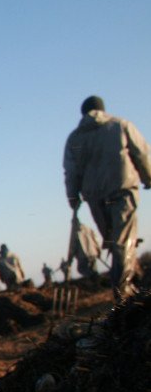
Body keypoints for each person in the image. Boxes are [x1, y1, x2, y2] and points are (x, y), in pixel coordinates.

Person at [64, 95, 151, 300]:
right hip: (122, 190)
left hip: (95, 198)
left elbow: (71, 171)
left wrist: (73, 198)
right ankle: (124, 294)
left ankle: (131, 280)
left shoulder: (74, 138)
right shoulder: (120, 125)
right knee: (122, 241)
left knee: (114, 241)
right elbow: (141, 153)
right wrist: (148, 177)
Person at [67, 214, 103, 279]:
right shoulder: (88, 229)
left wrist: (70, 259)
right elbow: (96, 240)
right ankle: (96, 281)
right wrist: (99, 251)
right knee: (93, 269)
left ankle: (93, 278)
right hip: (93, 252)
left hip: (83, 255)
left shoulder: (75, 233)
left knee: (81, 269)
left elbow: (73, 247)